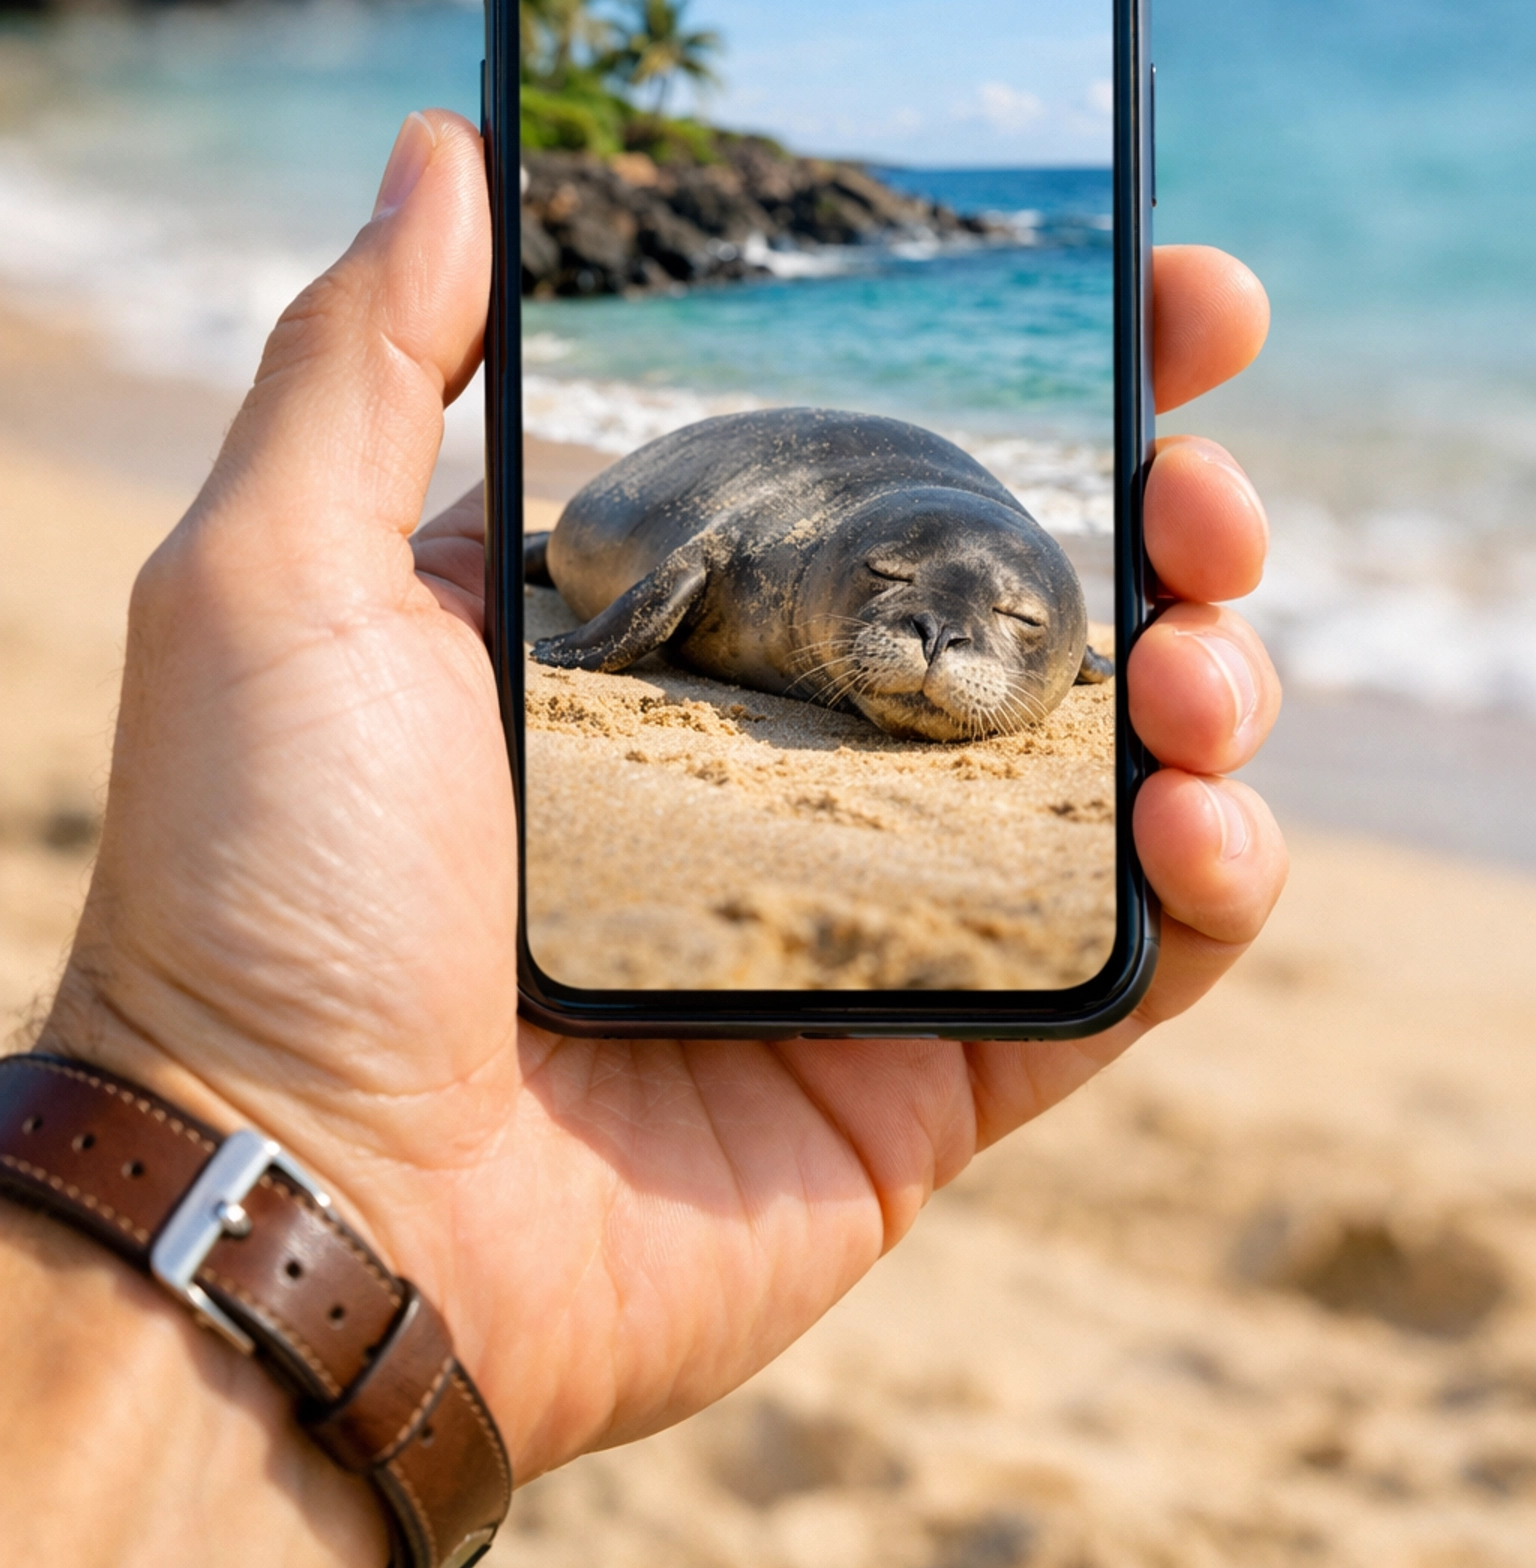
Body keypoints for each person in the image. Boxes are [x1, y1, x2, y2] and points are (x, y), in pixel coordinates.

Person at [0, 109, 1286, 1562]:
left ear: (1066, 664)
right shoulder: (784, 567)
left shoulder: (1053, 658)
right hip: (702, 508)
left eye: (1019, 639)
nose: (938, 641)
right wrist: (596, 644)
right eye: (895, 594)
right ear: (846, 574)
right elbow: (726, 552)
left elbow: (1055, 632)